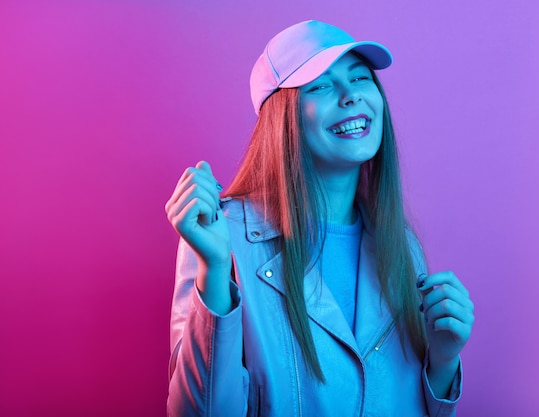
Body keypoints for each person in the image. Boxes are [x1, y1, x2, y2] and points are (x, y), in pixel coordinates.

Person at [165, 20, 475, 417]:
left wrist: (444, 360)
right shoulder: (222, 238)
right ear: (284, 118)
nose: (351, 97)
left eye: (360, 78)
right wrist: (214, 272)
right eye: (321, 85)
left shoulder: (402, 246)